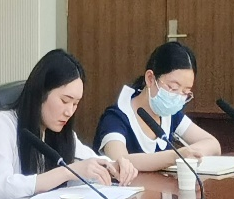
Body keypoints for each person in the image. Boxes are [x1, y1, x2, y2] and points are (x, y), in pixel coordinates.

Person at [0, 49, 137, 199]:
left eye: (75, 104)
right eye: (64, 101)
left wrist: (114, 166)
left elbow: (88, 162)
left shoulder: (58, 131)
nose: (69, 111)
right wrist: (67, 172)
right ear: (41, 92)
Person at [95, 41, 221, 171]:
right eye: (173, 88)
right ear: (150, 79)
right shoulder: (116, 118)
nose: (178, 97)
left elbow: (213, 144)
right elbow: (119, 161)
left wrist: (190, 153)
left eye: (185, 92)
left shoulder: (169, 114)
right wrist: (176, 156)